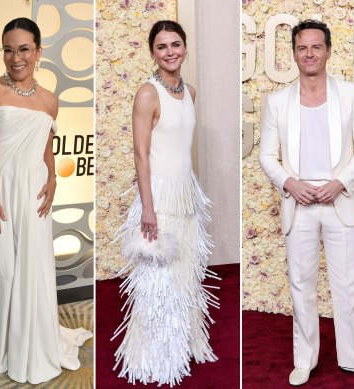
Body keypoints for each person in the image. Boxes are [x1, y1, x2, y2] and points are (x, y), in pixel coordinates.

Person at [259, 19, 354, 386]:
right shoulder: (278, 101)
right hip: (297, 201)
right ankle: (305, 359)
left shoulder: (349, 94)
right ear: (294, 53)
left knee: (348, 285)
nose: (309, 53)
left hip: (338, 200)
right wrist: (290, 183)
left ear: (328, 51)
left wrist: (340, 183)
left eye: (316, 46)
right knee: (302, 284)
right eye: (302, 47)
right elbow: (268, 155)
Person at [0, 17, 92, 384]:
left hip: (34, 193)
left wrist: (53, 177)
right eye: (8, 49)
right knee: (2, 269)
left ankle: (31, 340)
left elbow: (45, 146)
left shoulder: (50, 101)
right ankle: (3, 345)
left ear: (38, 52)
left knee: (31, 269)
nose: (15, 57)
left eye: (24, 49)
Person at [112, 20, 218, 387]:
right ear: (152, 52)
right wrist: (148, 208)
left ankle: (184, 342)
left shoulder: (189, 90)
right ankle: (154, 354)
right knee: (159, 279)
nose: (170, 51)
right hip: (157, 196)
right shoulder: (147, 94)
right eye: (162, 46)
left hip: (186, 192)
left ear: (185, 48)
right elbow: (141, 155)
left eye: (176, 44)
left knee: (187, 272)